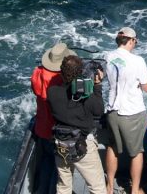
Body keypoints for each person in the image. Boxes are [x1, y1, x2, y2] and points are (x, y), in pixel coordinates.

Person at [104, 26, 147, 194]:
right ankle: (135, 190)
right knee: (137, 152)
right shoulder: (138, 61)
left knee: (112, 147)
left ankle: (109, 187)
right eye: (135, 41)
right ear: (131, 41)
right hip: (132, 114)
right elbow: (146, 87)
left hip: (112, 112)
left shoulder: (108, 56)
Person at [47, 54, 107, 194]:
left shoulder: (52, 92)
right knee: (97, 187)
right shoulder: (87, 96)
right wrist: (97, 86)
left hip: (60, 144)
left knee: (63, 186)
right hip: (82, 145)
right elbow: (99, 110)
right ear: (81, 72)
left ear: (61, 72)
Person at [30, 42, 77, 194]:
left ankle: (41, 190)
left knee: (47, 161)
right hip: (58, 130)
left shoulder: (37, 73)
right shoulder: (61, 79)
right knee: (60, 167)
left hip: (42, 126)